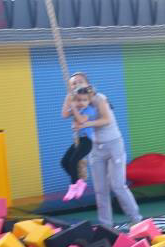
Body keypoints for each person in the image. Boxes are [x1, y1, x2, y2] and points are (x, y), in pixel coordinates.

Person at [61, 72, 142, 227]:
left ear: (87, 84)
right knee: (100, 190)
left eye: (80, 81)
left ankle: (136, 219)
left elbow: (106, 119)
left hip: (113, 144)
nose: (77, 84)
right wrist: (68, 99)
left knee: (117, 185)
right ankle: (106, 225)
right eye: (73, 83)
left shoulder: (99, 98)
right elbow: (65, 114)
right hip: (95, 148)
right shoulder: (77, 101)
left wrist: (85, 124)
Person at [59, 82, 95, 201]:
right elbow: (64, 115)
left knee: (73, 161)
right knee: (64, 162)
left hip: (87, 141)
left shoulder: (89, 110)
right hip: (79, 140)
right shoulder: (77, 108)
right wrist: (68, 101)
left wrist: (73, 107)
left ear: (89, 101)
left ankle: (73, 186)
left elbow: (81, 120)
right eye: (79, 100)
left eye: (84, 100)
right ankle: (79, 182)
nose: (81, 103)